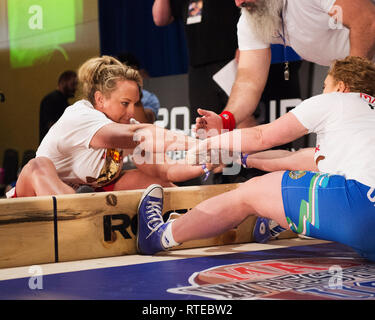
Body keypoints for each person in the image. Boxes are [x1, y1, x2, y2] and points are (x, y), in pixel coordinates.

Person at [136, 56, 375, 262]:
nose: (322, 91)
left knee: (249, 193)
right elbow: (299, 159)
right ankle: (275, 218)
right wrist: (243, 158)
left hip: (362, 207)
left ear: (341, 87)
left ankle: (158, 236)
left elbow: (262, 136)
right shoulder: (360, 128)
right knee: (308, 177)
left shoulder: (336, 101)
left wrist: (209, 144)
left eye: (325, 85)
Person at [6, 56, 215, 198]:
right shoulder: (80, 115)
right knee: (38, 165)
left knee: (149, 180)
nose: (132, 112)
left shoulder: (126, 126)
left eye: (135, 104)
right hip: (31, 196)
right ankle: (75, 217)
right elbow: (142, 135)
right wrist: (202, 143)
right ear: (100, 100)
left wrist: (208, 161)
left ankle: (187, 217)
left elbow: (166, 169)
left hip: (83, 198)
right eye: (125, 104)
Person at [196, 0, 375, 132]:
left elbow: (367, 20)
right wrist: (225, 120)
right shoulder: (250, 18)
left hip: (362, 72)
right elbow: (248, 82)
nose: (239, 3)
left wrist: (351, 86)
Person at [152, 0, 240, 125]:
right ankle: (207, 146)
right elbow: (160, 19)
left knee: (240, 117)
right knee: (204, 122)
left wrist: (244, 47)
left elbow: (251, 10)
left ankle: (252, 145)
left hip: (229, 60)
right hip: (198, 67)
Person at [117, 52, 161, 124]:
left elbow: (145, 124)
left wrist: (134, 96)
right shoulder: (106, 94)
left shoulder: (149, 98)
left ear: (134, 69)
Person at [39, 70, 78, 143]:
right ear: (64, 82)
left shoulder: (62, 101)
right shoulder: (51, 100)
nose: (75, 88)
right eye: (73, 84)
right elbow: (51, 126)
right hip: (52, 148)